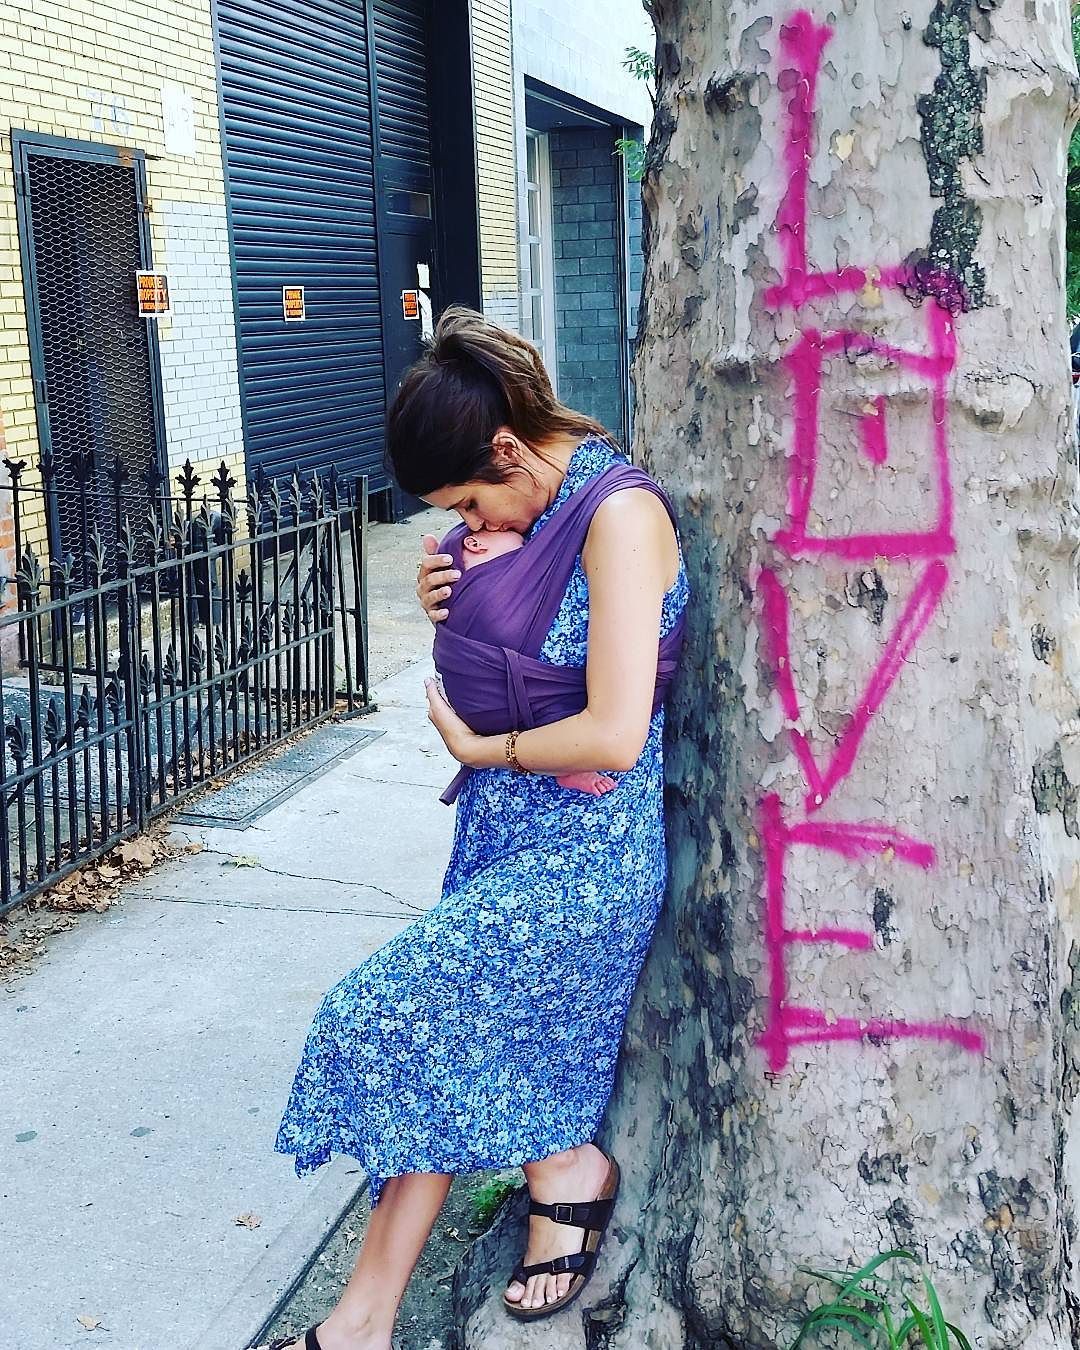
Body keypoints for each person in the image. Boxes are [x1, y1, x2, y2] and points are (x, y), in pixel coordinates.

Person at [268, 305, 689, 1350]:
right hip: (501, 837)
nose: (466, 520)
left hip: (584, 856)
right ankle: (360, 1323)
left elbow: (615, 734)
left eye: (466, 500)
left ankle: (568, 1167)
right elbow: (522, 637)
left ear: (507, 447)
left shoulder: (617, 516)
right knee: (435, 1047)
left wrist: (481, 748)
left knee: (381, 1015)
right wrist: (452, 594)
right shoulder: (528, 510)